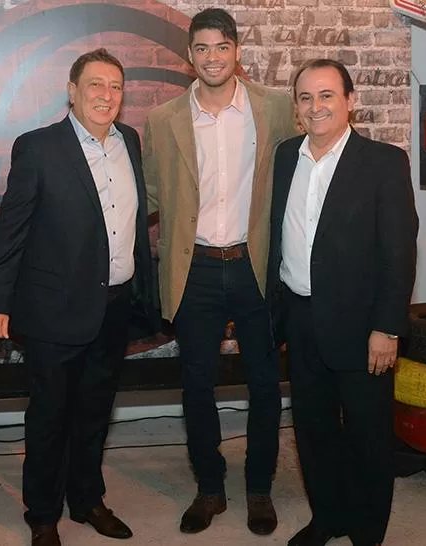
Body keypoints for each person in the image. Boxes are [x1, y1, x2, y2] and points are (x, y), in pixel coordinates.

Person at [0, 48, 160, 546]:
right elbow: (10, 230)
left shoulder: (130, 142)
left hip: (115, 306)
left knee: (95, 412)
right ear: (73, 91)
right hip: (53, 309)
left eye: (116, 87)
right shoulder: (38, 147)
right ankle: (42, 515)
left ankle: (87, 500)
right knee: (50, 416)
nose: (107, 95)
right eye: (96, 85)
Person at [142, 7, 298, 536]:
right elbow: (150, 196)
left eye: (222, 47)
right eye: (202, 48)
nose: (213, 58)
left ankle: (258, 489)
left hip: (255, 267)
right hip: (197, 270)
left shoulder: (274, 108)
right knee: (196, 385)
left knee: (264, 383)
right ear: (190, 55)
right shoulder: (163, 120)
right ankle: (210, 489)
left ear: (237, 52)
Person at [266, 59, 419, 546]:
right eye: (307, 97)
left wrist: (388, 327)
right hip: (300, 317)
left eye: (327, 95)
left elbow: (399, 251)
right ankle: (327, 518)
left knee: (369, 436)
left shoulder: (383, 162)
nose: (317, 106)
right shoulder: (286, 155)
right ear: (297, 107)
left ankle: (368, 532)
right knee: (313, 431)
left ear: (350, 101)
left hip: (362, 326)